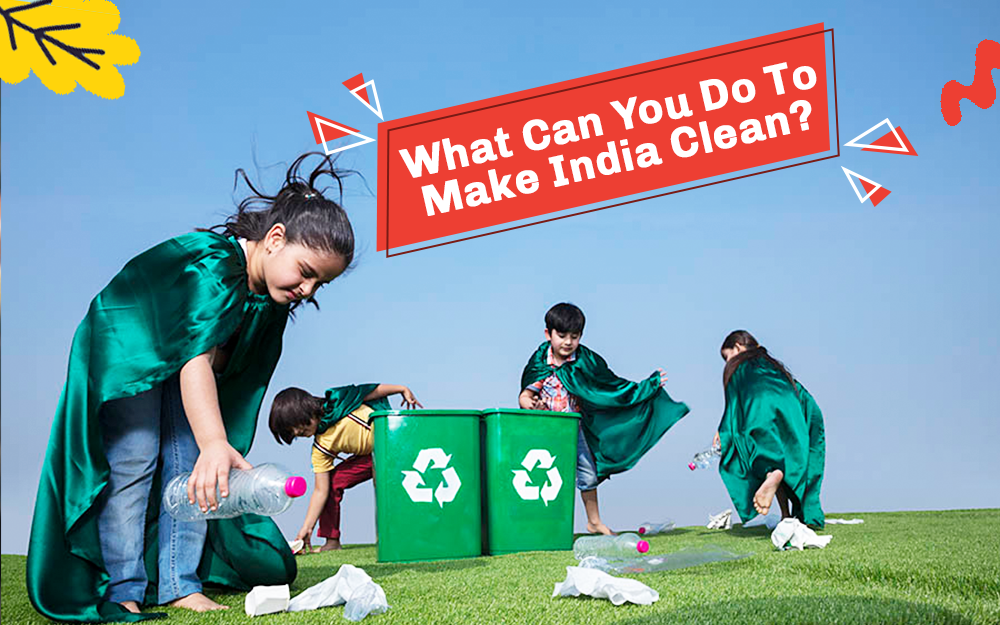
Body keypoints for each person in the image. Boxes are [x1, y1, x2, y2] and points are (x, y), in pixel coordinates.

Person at [27, 153, 357, 622]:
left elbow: (225, 366)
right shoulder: (213, 267)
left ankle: (180, 584)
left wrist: (210, 445)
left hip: (182, 362)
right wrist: (214, 439)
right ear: (275, 240)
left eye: (320, 284)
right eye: (305, 272)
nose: (308, 290)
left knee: (196, 468)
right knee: (135, 458)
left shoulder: (265, 300)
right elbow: (195, 357)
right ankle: (124, 587)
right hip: (130, 348)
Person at [519, 303, 689, 535]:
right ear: (548, 334)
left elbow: (613, 388)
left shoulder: (585, 361)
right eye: (562, 336)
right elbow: (525, 396)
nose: (568, 342)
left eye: (574, 336)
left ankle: (594, 521)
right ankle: (544, 525)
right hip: (544, 430)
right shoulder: (540, 362)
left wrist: (648, 386)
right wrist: (531, 404)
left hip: (574, 428)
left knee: (587, 473)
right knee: (545, 474)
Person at [268, 383, 421, 552]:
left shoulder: (338, 401)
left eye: (296, 424)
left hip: (394, 444)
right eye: (291, 432)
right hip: (370, 457)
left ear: (305, 407)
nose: (297, 431)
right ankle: (332, 541)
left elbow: (371, 392)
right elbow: (320, 490)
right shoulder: (321, 447)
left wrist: (402, 389)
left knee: (387, 485)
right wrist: (307, 527)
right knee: (332, 482)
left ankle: (401, 536)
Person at [716, 330, 826, 528]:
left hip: (759, 405)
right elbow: (800, 394)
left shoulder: (740, 367)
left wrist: (724, 430)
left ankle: (775, 480)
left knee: (757, 452)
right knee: (786, 457)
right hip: (791, 404)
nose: (727, 362)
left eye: (727, 356)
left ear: (739, 347)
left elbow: (735, 404)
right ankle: (788, 515)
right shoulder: (771, 364)